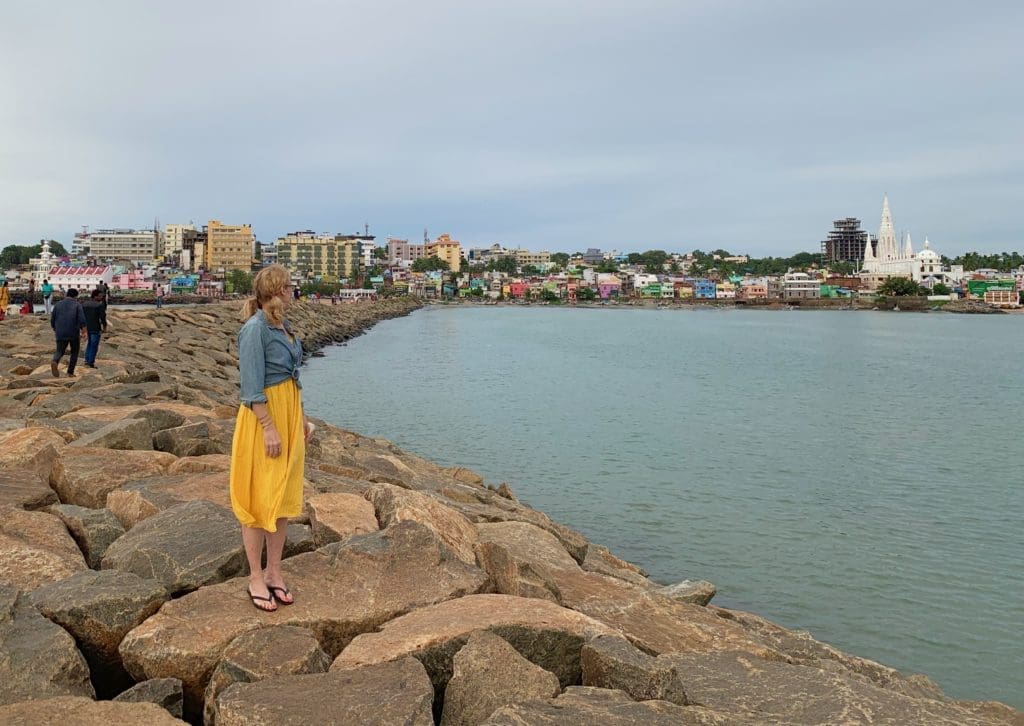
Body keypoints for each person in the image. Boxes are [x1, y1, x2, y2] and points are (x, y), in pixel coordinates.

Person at [230, 264, 312, 612]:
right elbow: (250, 388)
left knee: (282, 497)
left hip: (288, 411)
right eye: (290, 287)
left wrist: (302, 419)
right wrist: (268, 427)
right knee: (259, 497)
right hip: (265, 418)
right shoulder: (255, 329)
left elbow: (292, 377)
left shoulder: (283, 325)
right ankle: (254, 577)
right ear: (277, 290)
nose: (293, 292)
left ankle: (274, 572)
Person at [50, 288, 86, 377]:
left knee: (59, 351)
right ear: (76, 296)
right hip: (73, 332)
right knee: (74, 352)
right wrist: (84, 331)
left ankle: (55, 361)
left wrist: (55, 328)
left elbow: (52, 319)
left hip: (60, 332)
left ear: (66, 294)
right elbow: (82, 319)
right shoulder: (77, 305)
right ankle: (70, 372)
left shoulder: (58, 304)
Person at [81, 288, 108, 368]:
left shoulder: (84, 304)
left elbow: (81, 316)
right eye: (99, 296)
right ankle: (91, 362)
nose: (101, 298)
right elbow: (103, 317)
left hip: (86, 327)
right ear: (95, 296)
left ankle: (86, 360)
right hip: (95, 327)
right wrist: (105, 326)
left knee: (89, 344)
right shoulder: (99, 305)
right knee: (94, 345)